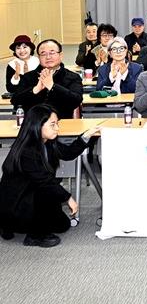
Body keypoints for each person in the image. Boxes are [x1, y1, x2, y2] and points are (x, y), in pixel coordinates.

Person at [0, 104, 99, 248]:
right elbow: (45, 182)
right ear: (37, 126)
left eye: (57, 123)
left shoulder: (48, 143)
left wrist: (86, 136)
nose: (57, 128)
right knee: (46, 189)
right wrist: (68, 198)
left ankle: (23, 226)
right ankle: (34, 236)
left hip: (31, 199)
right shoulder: (27, 151)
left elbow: (68, 153)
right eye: (52, 124)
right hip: (18, 205)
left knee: (62, 225)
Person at [11, 39, 83, 118]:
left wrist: (53, 86)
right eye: (43, 54)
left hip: (62, 122)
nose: (48, 57)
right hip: (34, 123)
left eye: (52, 53)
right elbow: (15, 101)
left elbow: (76, 101)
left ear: (61, 55)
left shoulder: (72, 77)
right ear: (39, 57)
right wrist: (35, 90)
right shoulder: (28, 77)